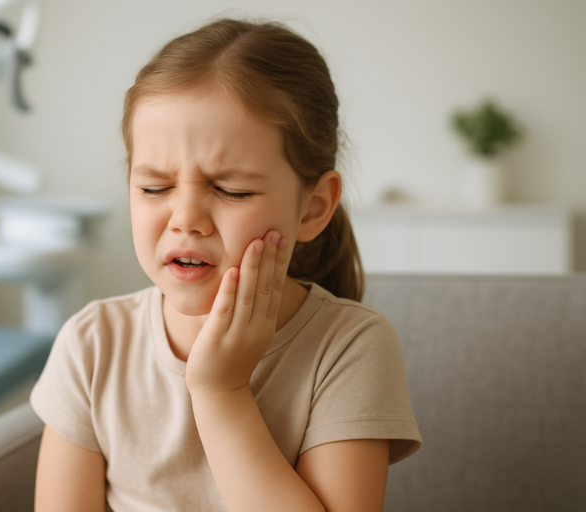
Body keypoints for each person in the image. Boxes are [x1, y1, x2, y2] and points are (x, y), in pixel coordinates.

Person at [31, 17, 422, 512]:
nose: (186, 220)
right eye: (154, 188)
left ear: (314, 206)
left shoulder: (349, 349)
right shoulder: (92, 345)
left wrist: (221, 391)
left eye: (230, 190)